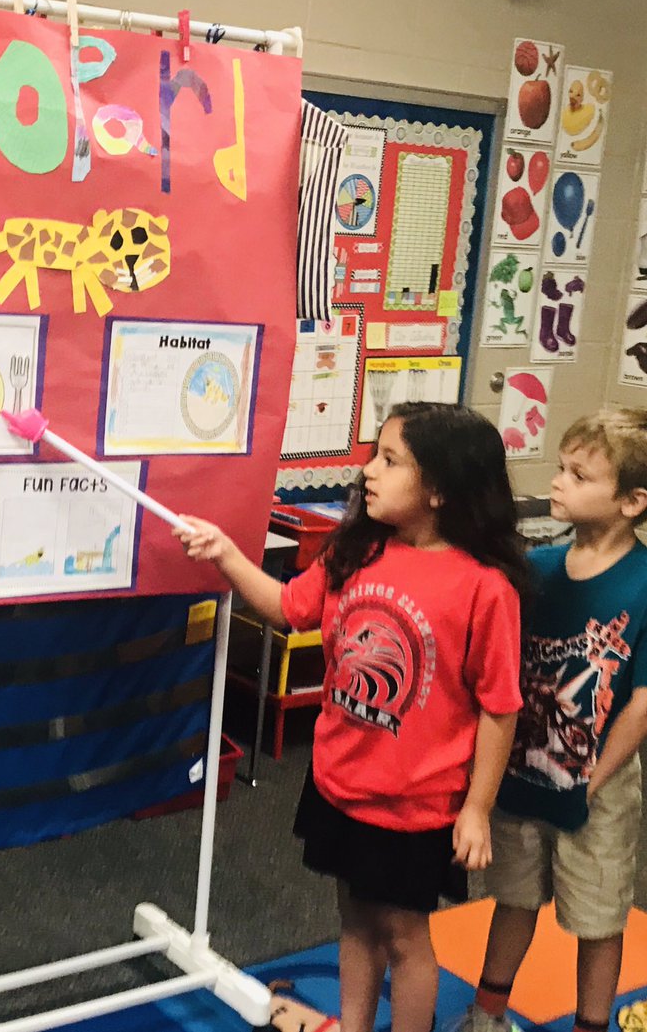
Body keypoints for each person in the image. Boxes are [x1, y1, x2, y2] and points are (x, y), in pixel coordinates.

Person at [177, 402, 527, 1032]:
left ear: (441, 489)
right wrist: (226, 555)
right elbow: (288, 608)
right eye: (375, 455)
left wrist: (476, 807)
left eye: (391, 461)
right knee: (355, 919)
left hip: (416, 803)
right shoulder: (354, 549)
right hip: (340, 782)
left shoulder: (484, 588)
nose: (369, 471)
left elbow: (500, 707)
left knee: (403, 934)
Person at [466, 408, 647, 1032]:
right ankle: (487, 1012)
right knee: (512, 897)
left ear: (631, 500)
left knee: (598, 917)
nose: (558, 482)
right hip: (522, 772)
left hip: (600, 786)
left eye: (579, 475)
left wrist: (591, 780)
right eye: (562, 469)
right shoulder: (536, 569)